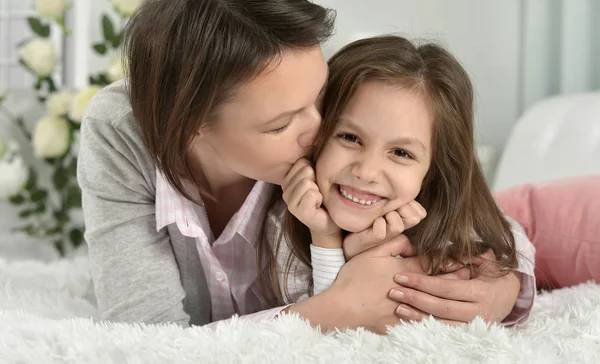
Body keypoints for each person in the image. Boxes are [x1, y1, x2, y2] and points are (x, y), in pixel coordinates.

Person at [77, 0, 533, 333]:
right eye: (281, 125)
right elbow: (143, 338)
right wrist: (334, 311)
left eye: (320, 98)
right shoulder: (120, 131)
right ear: (190, 124)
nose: (321, 130)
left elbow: (476, 214)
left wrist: (506, 284)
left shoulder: (334, 145)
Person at [280, 35, 535, 327]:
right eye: (350, 137)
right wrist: (326, 239)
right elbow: (328, 322)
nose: (366, 172)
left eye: (401, 153)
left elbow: (507, 238)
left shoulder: (446, 233)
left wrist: (510, 283)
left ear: (434, 170)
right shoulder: (284, 215)